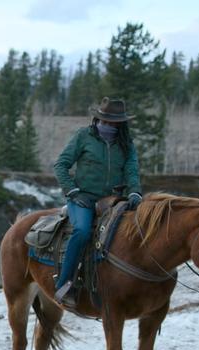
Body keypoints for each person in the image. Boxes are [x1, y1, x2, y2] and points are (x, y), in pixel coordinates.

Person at [53, 97, 143, 307]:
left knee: (130, 233)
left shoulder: (126, 143)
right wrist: (73, 191)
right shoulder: (83, 136)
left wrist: (135, 192)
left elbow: (131, 171)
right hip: (82, 197)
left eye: (115, 121)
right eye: (107, 120)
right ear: (98, 119)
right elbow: (61, 165)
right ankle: (64, 284)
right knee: (83, 231)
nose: (110, 125)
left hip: (113, 199)